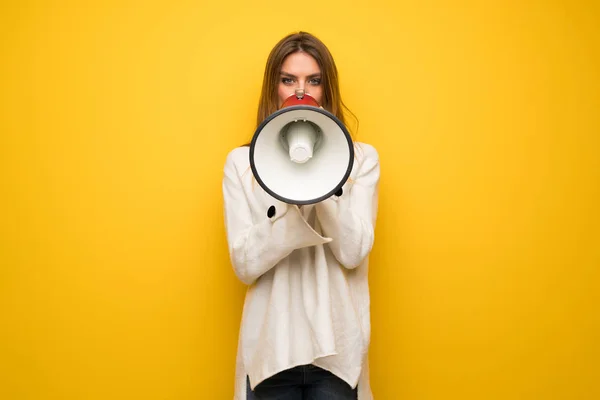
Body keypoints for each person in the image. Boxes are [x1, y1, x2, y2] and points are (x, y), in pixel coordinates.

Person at [222, 31, 380, 400]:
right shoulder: (242, 164)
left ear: (327, 90)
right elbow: (245, 265)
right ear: (273, 87)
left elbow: (354, 252)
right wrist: (288, 188)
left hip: (338, 358)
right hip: (270, 355)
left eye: (313, 81)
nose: (299, 91)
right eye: (288, 80)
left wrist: (322, 178)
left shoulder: (361, 160)